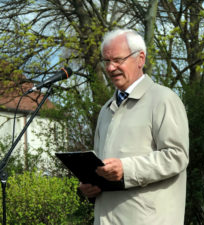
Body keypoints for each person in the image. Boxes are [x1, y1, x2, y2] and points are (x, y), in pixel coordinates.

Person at [79, 29, 189, 225]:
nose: (111, 68)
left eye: (118, 60)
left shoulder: (163, 99)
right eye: (106, 61)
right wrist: (91, 185)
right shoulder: (105, 110)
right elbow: (101, 164)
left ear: (140, 59)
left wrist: (126, 169)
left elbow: (177, 156)